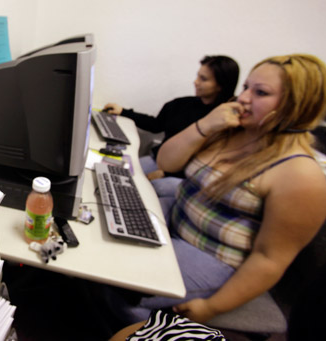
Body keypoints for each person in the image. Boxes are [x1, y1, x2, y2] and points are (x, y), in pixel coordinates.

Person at [96, 54, 326, 335]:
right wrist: (205, 125)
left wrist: (212, 307)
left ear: (298, 105)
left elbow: (270, 259)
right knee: (103, 236)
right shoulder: (232, 129)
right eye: (246, 87)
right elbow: (168, 163)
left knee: (117, 280)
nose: (244, 98)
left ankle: (130, 320)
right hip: (178, 219)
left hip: (211, 255)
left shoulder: (301, 175)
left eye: (261, 92)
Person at [103, 56, 239, 212]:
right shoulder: (182, 105)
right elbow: (156, 124)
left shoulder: (225, 123)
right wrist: (123, 112)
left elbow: (207, 164)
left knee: (154, 187)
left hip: (185, 176)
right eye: (197, 76)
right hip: (158, 161)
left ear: (221, 85)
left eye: (203, 79)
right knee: (115, 170)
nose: (196, 82)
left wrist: (166, 173)